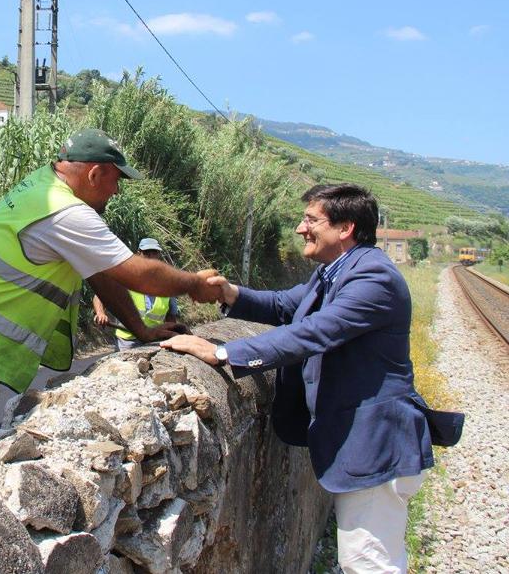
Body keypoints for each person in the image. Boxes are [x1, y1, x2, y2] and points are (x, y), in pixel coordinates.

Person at [160, 183, 458, 574]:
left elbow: (314, 332)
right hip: (363, 443)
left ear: (345, 227)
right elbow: (287, 305)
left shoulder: (373, 278)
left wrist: (222, 352)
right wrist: (230, 292)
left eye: (311, 220)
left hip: (376, 443)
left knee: (370, 564)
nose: (301, 229)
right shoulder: (334, 272)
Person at [0, 128, 222, 441]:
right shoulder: (64, 211)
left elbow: (100, 273)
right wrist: (194, 283)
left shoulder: (40, 185)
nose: (116, 191)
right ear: (95, 174)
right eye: (116, 180)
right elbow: (137, 273)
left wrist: (140, 329)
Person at [92, 237, 183, 350]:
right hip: (127, 340)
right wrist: (100, 313)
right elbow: (100, 295)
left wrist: (171, 337)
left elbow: (171, 316)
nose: (150, 257)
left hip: (154, 339)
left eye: (154, 253)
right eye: (146, 253)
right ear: (138, 253)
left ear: (159, 255)